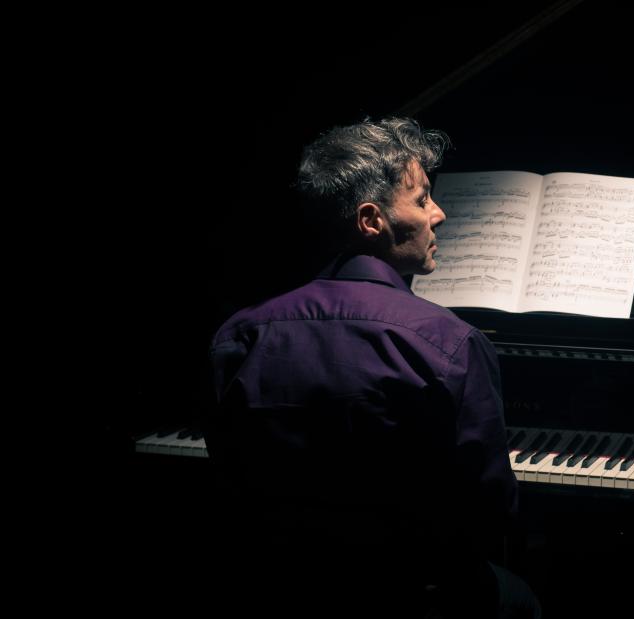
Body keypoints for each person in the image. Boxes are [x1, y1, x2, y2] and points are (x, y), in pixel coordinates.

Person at [205, 116, 540, 618]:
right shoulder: (447, 342)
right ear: (370, 220)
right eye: (423, 198)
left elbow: (230, 478)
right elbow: (491, 512)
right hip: (413, 595)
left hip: (279, 586)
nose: (440, 213)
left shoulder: (240, 334)